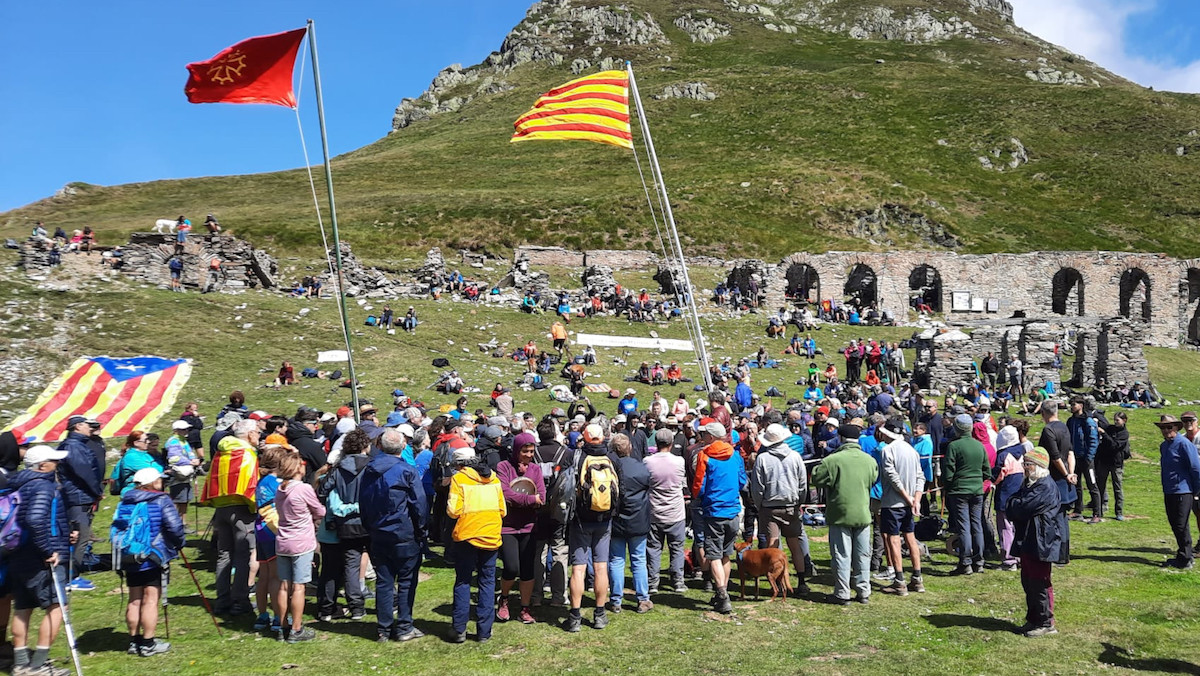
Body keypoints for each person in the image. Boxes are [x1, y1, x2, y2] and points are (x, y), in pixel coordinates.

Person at [9, 445, 76, 676]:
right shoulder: (43, 486)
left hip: (18, 553)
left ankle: (20, 664)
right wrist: (48, 550)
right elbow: (36, 519)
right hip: (42, 558)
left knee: (22, 607)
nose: (57, 464)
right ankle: (38, 665)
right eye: (54, 461)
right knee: (57, 607)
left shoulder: (17, 484)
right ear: (42, 465)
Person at [360, 428, 427, 642]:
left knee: (385, 581)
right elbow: (420, 505)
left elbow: (363, 502)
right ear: (403, 446)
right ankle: (403, 626)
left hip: (381, 532)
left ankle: (385, 628)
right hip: (402, 533)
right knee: (405, 581)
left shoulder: (370, 470)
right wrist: (421, 530)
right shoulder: (405, 471)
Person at [114, 468, 185, 657]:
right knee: (151, 599)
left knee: (134, 599)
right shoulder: (161, 499)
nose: (162, 482)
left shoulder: (125, 500)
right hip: (153, 556)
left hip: (130, 555)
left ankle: (134, 641)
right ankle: (148, 643)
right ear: (152, 482)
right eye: (159, 480)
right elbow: (175, 527)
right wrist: (179, 543)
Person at [812, 422, 878, 605]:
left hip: (840, 513)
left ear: (840, 438)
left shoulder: (833, 460)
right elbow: (873, 479)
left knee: (842, 554)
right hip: (863, 512)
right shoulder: (869, 460)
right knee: (863, 554)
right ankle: (863, 591)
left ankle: (842, 592)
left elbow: (816, 478)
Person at [1005, 447, 1067, 637]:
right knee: (1028, 581)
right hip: (1030, 539)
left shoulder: (1044, 487)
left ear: (1038, 466)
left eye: (1028, 464)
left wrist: (1014, 504)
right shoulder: (1031, 484)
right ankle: (1033, 619)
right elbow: (1013, 505)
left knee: (1039, 582)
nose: (1024, 467)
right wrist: (1014, 504)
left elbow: (1020, 507)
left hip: (1041, 541)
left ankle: (1045, 622)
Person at [446, 444, 505, 643]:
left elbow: (453, 511)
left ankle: (459, 629)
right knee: (487, 582)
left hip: (467, 535)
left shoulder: (459, 479)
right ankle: (484, 632)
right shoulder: (494, 478)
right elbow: (503, 510)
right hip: (491, 535)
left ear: (459, 464)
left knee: (463, 581)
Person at [201, 419, 260, 617]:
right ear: (250, 434)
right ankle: (240, 600)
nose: (259, 436)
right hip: (242, 507)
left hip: (221, 507)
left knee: (224, 554)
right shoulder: (247, 453)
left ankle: (222, 600)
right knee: (243, 554)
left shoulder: (221, 452)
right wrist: (254, 508)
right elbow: (251, 483)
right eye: (258, 433)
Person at [563, 424, 619, 633]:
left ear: (584, 437)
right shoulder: (612, 458)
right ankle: (600, 614)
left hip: (580, 519)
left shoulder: (576, 457)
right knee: (601, 567)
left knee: (578, 568)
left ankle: (575, 616)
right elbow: (620, 488)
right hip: (604, 520)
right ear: (603, 437)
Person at [316, 429, 372, 623]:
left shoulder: (338, 469)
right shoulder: (371, 467)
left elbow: (322, 491)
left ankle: (332, 608)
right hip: (366, 522)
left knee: (338, 567)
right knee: (354, 565)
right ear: (366, 446)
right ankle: (357, 607)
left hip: (342, 523)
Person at [691, 419, 745, 614]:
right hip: (733, 511)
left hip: (714, 511)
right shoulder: (735, 455)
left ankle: (722, 594)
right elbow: (742, 481)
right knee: (726, 554)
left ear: (711, 437)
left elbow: (699, 485)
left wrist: (699, 497)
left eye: (704, 434)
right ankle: (723, 592)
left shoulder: (705, 455)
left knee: (713, 554)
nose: (702, 437)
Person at [750, 423, 810, 594]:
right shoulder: (795, 456)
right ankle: (801, 581)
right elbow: (803, 483)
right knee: (795, 544)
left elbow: (757, 487)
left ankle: (777, 581)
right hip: (791, 505)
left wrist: (759, 504)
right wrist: (799, 502)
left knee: (773, 544)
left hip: (769, 506)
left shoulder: (762, 458)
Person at [273, 453, 324, 643]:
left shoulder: (280, 489)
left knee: (284, 585)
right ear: (297, 468)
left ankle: (282, 626)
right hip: (301, 542)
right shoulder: (303, 488)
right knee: (299, 587)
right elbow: (319, 511)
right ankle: (296, 628)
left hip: (283, 541)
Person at [495, 432, 545, 625]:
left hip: (528, 526)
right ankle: (504, 598)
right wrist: (530, 499)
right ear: (517, 450)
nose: (529, 455)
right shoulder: (503, 467)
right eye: (525, 451)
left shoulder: (535, 469)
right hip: (508, 526)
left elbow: (542, 496)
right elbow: (505, 494)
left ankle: (525, 608)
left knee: (527, 569)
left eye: (532, 451)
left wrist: (524, 500)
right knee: (511, 567)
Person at [876, 419, 924, 596]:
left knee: (893, 539)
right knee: (910, 537)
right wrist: (916, 499)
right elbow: (920, 476)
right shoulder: (912, 450)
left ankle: (899, 580)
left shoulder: (887, 450)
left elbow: (892, 477)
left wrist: (908, 498)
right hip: (909, 502)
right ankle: (917, 578)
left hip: (893, 502)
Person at [56, 415, 102, 592]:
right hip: (78, 498)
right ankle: (70, 577)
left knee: (80, 536)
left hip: (79, 496)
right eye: (87, 425)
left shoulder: (77, 444)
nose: (90, 428)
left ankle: (71, 574)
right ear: (77, 426)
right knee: (79, 537)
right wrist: (96, 491)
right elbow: (84, 472)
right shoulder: (73, 446)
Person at [608, 434, 653, 614]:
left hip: (617, 520)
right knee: (639, 559)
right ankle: (643, 599)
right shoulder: (641, 468)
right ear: (630, 448)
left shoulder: (610, 468)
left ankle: (616, 600)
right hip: (638, 519)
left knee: (616, 560)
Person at [943, 414, 990, 575]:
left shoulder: (954, 446)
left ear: (957, 428)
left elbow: (948, 472)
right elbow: (987, 471)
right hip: (977, 490)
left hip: (959, 490)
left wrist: (948, 486)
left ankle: (965, 562)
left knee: (964, 526)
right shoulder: (979, 446)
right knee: (977, 525)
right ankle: (979, 561)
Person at [1154, 415, 1200, 569]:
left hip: (1184, 490)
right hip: (1169, 490)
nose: (1166, 430)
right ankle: (1183, 555)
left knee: (1181, 525)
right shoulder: (1164, 446)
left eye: (1169, 427)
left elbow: (1195, 468)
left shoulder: (1184, 444)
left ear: (1176, 428)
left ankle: (1186, 558)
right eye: (1163, 428)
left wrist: (1196, 490)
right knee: (1174, 524)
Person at [645, 429, 687, 595]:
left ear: (656, 443)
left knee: (653, 548)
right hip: (675, 512)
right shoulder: (679, 461)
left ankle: (652, 583)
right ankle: (678, 581)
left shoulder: (647, 462)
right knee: (676, 548)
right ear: (671, 443)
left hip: (654, 511)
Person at [1066, 397, 1101, 523]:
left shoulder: (1088, 421)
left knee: (1092, 485)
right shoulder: (1071, 421)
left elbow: (1093, 440)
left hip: (1086, 459)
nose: (1071, 406)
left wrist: (1089, 457)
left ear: (1081, 405)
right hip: (1074, 458)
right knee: (1076, 485)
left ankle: (1097, 513)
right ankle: (1077, 510)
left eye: (1074, 404)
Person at [1095, 411, 1130, 521]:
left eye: (1117, 420)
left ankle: (1119, 512)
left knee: (1117, 488)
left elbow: (1115, 445)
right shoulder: (1110, 428)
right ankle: (1099, 510)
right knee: (1100, 486)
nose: (1115, 422)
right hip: (1104, 462)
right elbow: (1103, 423)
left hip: (1116, 464)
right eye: (1114, 420)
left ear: (1124, 421)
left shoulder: (1124, 434)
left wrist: (1104, 434)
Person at [163, 420, 200, 520]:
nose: (186, 431)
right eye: (183, 429)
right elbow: (174, 458)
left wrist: (194, 459)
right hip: (178, 474)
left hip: (185, 474)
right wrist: (190, 462)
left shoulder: (183, 440)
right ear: (176, 430)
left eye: (187, 429)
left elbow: (189, 453)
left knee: (185, 499)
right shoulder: (174, 441)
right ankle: (174, 522)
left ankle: (183, 522)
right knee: (177, 499)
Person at [110, 431, 164, 496]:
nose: (148, 442)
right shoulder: (131, 457)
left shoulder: (146, 453)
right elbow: (153, 471)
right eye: (145, 440)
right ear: (136, 443)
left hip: (148, 491)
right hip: (134, 492)